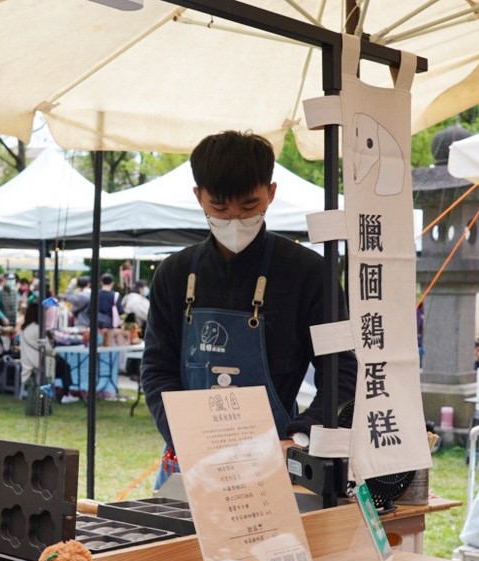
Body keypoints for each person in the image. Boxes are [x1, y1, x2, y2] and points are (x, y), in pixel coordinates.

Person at [140, 130, 356, 484]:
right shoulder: (174, 273)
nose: (235, 220)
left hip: (276, 459)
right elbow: (157, 368)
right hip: (190, 461)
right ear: (198, 197)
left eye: (249, 205)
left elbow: (340, 372)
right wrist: (182, 434)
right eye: (220, 208)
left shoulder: (309, 272)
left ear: (271, 193)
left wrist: (300, 437)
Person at [19, 297, 73, 399]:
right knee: (65, 366)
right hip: (39, 361)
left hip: (28, 360)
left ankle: (62, 392)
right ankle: (66, 393)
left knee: (62, 365)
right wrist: (54, 352)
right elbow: (46, 348)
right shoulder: (38, 329)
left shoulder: (24, 328)